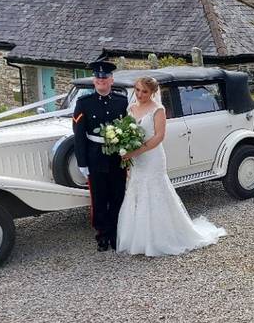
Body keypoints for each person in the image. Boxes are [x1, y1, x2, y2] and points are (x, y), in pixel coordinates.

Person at [115, 76, 226, 257]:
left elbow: (159, 137)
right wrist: (128, 153)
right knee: (136, 191)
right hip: (137, 160)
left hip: (152, 157)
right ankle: (139, 238)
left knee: (155, 191)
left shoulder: (158, 109)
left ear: (152, 93)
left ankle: (160, 238)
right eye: (137, 90)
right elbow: (129, 133)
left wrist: (136, 151)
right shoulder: (131, 108)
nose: (140, 94)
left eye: (145, 91)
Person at [73, 60, 129, 251]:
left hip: (116, 158)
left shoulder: (121, 101)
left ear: (111, 80)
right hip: (95, 157)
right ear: (94, 80)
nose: (101, 80)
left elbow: (129, 130)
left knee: (117, 196)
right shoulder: (83, 103)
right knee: (99, 198)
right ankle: (102, 235)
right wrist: (82, 162)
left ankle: (115, 232)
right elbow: (78, 134)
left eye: (104, 77)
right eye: (98, 77)